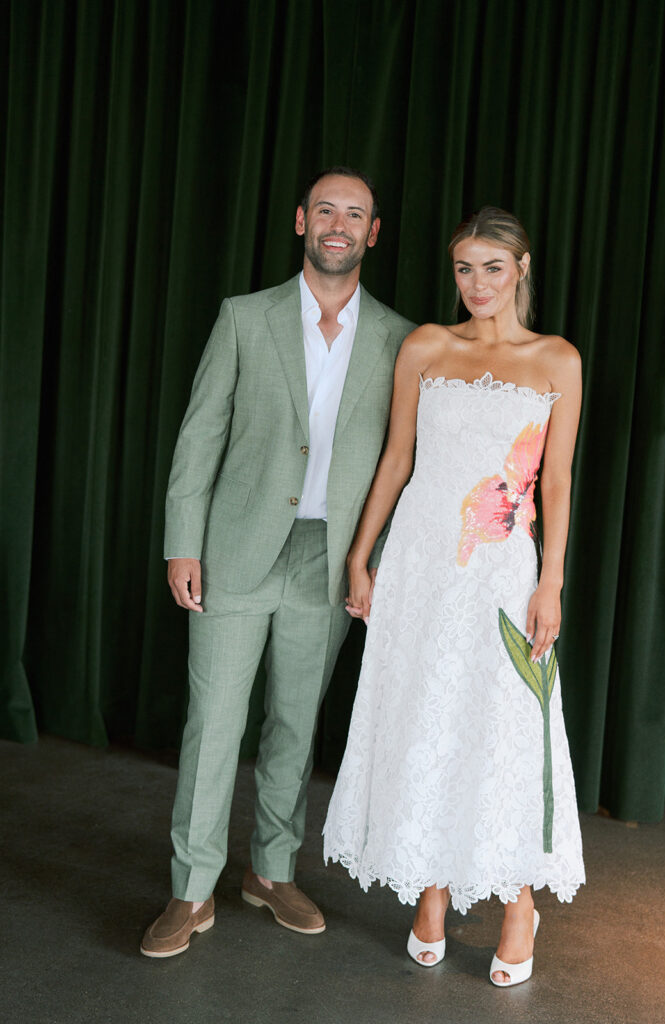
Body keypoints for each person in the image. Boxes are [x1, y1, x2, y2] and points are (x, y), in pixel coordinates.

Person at [141, 167, 414, 958]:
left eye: (354, 213)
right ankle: (191, 893)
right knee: (214, 725)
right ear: (301, 221)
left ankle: (270, 872)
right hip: (233, 554)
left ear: (373, 232)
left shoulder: (402, 338)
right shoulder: (243, 317)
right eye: (325, 209)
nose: (338, 223)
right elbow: (200, 437)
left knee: (295, 726)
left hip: (329, 563)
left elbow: (407, 464)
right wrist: (182, 542)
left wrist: (376, 564)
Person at [323, 206, 585, 986]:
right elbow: (397, 456)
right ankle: (431, 887)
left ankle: (516, 901)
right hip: (421, 564)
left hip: (505, 568)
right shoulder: (426, 346)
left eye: (493, 268)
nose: (477, 284)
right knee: (424, 716)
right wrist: (362, 556)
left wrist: (552, 582)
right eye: (465, 268)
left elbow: (560, 481)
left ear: (523, 269)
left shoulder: (557, 360)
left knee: (504, 724)